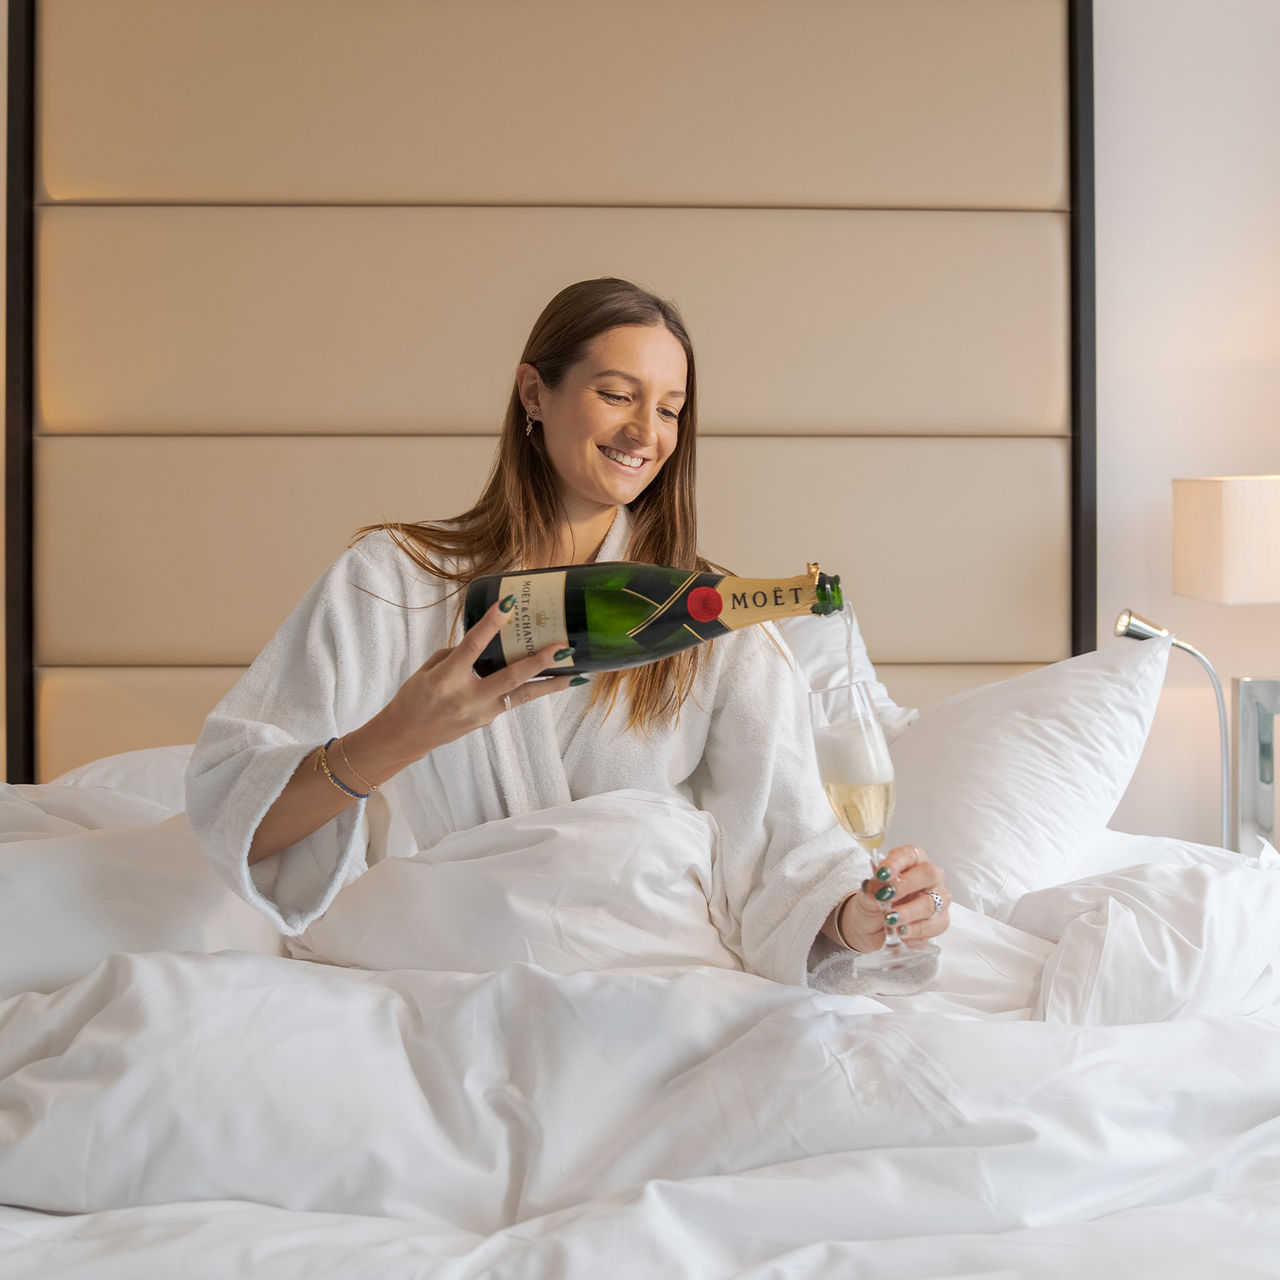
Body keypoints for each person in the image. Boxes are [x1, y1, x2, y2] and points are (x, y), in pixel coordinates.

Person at [186, 277, 951, 987]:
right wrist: (401, 733)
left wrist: (860, 920)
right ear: (534, 394)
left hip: (652, 982)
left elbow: (786, 855)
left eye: (669, 409)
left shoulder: (717, 625)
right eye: (618, 393)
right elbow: (239, 819)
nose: (644, 431)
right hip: (458, 969)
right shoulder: (393, 581)